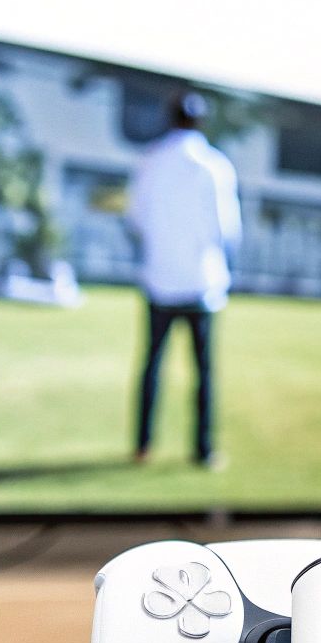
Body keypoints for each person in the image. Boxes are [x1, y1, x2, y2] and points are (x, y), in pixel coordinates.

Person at [126, 91, 242, 467]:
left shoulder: (149, 161)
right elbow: (227, 230)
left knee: (151, 365)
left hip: (159, 279)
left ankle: (142, 447)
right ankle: (203, 451)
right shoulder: (214, 166)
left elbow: (137, 221)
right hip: (201, 284)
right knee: (203, 373)